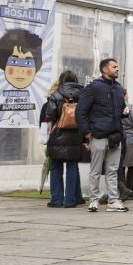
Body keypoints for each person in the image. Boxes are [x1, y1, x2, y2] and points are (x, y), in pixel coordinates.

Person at [75, 58, 128, 213]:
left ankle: (113, 201)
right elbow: (80, 111)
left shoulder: (118, 88)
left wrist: (125, 112)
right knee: (96, 170)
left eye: (118, 66)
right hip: (98, 135)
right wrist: (87, 132)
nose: (117, 69)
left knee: (113, 170)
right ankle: (93, 200)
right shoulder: (94, 87)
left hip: (115, 135)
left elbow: (120, 109)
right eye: (114, 66)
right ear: (105, 69)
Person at [44, 70, 85, 208]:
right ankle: (70, 200)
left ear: (61, 80)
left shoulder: (56, 94)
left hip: (58, 134)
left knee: (56, 166)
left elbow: (50, 116)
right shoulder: (83, 94)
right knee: (72, 167)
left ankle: (56, 199)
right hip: (76, 135)